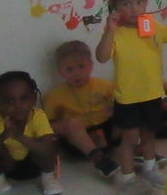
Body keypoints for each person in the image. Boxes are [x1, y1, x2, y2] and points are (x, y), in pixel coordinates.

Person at [95, 0, 167, 195]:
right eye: (126, 4)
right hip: (128, 98)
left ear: (146, 0)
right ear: (114, 6)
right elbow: (102, 57)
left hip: (152, 94)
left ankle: (149, 168)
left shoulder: (151, 25)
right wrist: (109, 29)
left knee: (148, 134)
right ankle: (126, 178)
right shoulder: (115, 33)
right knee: (130, 139)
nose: (134, 9)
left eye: (139, 2)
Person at [0, 71, 63, 195]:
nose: (18, 106)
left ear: (34, 98)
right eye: (9, 101)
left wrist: (19, 136)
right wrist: (3, 136)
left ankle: (48, 178)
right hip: (10, 167)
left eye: (24, 98)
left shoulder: (38, 116)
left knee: (49, 143)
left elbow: (47, 150)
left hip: (35, 166)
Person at [44, 40, 119, 179]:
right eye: (69, 69)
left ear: (90, 66)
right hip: (78, 141)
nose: (76, 73)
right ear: (61, 72)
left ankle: (138, 150)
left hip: (106, 133)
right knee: (72, 124)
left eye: (81, 67)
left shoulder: (105, 86)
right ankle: (100, 161)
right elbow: (46, 125)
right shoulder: (55, 95)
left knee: (126, 109)